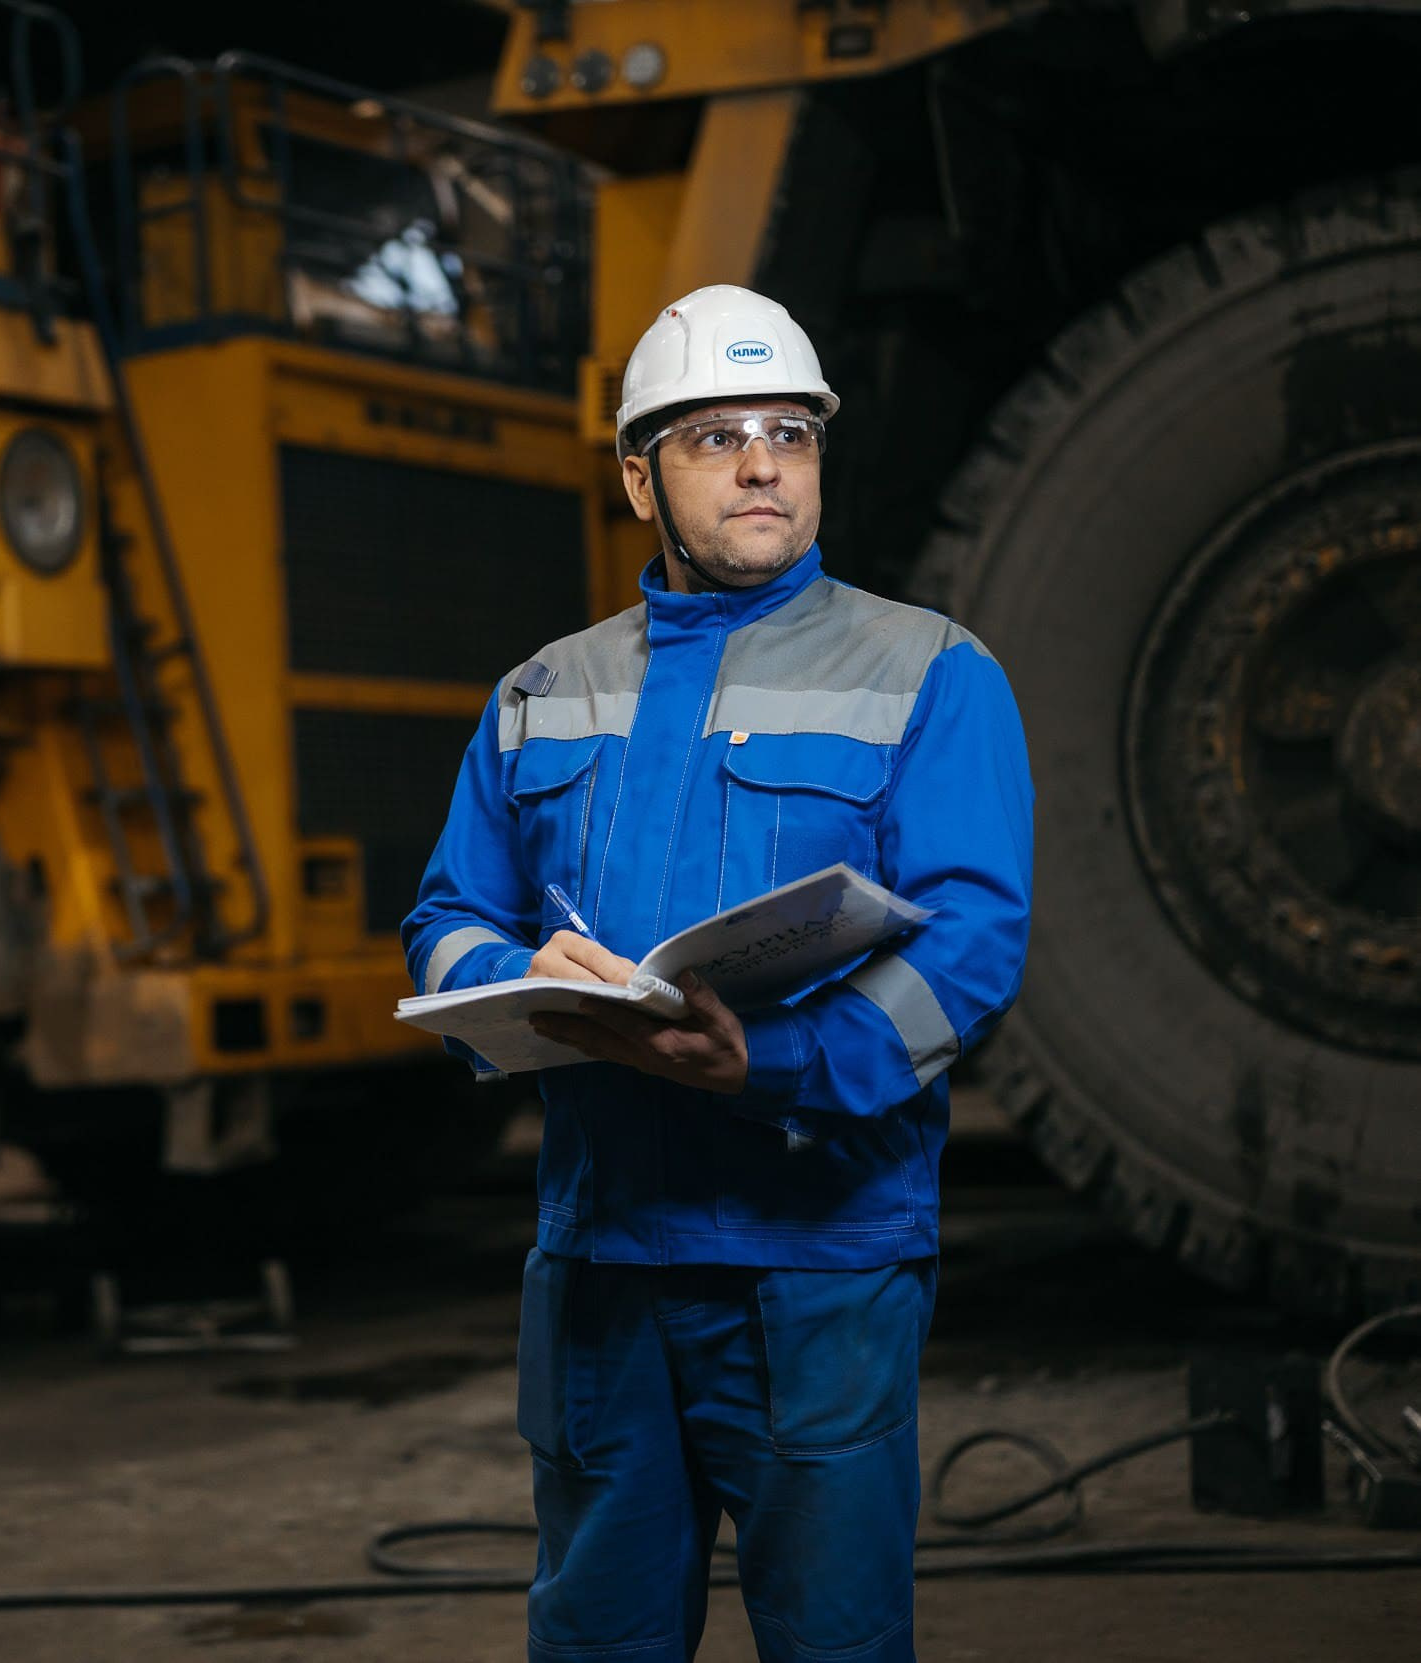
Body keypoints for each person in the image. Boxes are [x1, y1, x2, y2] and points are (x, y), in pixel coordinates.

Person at [402, 285, 1034, 1663]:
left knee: (835, 1641)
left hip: (819, 1266)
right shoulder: (537, 695)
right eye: (716, 437)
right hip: (602, 1266)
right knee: (598, 1640)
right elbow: (447, 914)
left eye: (790, 433)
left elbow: (971, 941)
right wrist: (519, 973)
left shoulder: (928, 671)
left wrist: (782, 1066)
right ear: (640, 476)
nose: (763, 465)